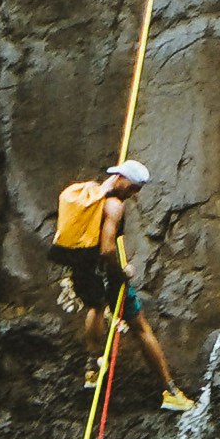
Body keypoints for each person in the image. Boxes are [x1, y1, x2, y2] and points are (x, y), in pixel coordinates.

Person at [50, 156, 195, 416]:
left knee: (94, 305)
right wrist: (122, 272)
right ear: (124, 182)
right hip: (107, 274)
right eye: (134, 188)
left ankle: (91, 368)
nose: (134, 194)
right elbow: (107, 250)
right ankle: (170, 392)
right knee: (141, 327)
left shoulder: (89, 194)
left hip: (80, 268)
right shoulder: (114, 206)